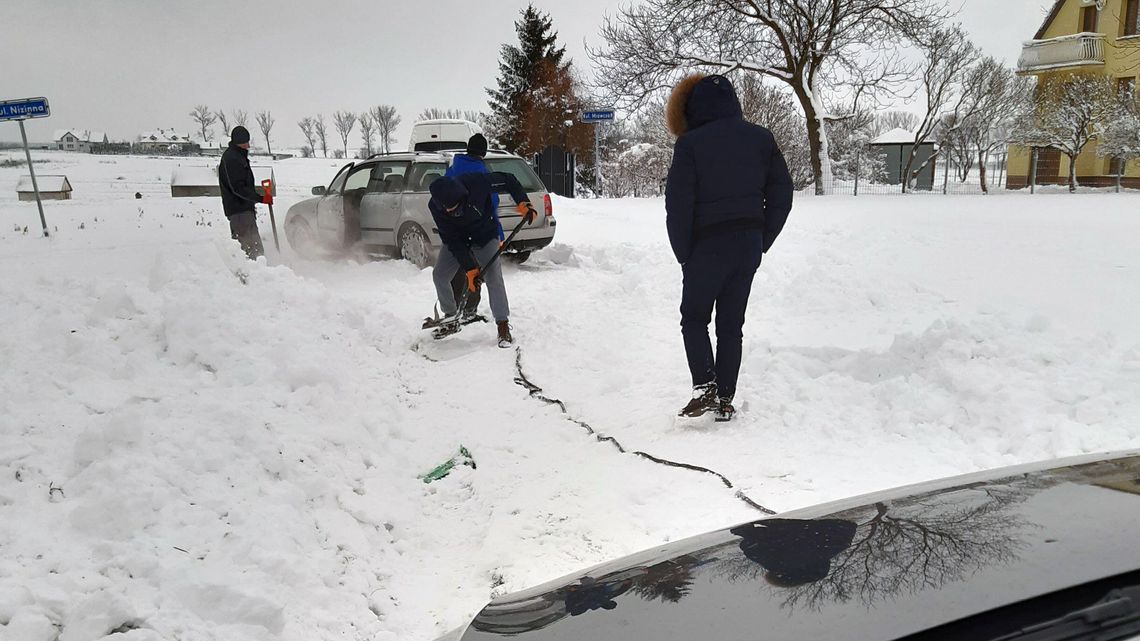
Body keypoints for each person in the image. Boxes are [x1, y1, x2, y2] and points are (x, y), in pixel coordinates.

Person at [665, 74, 794, 422]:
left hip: (706, 247)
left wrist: (684, 253)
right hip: (748, 246)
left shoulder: (690, 145)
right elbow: (783, 193)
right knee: (730, 325)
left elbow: (678, 205)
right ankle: (724, 399)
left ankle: (704, 385)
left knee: (693, 318)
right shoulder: (761, 139)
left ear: (693, 108)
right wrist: (762, 237)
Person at [428, 172, 537, 347]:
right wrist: (470, 268)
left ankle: (502, 324)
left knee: (493, 276)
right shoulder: (435, 207)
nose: (453, 211)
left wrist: (523, 202)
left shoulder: (477, 182)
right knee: (440, 275)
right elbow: (451, 239)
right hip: (458, 240)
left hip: (484, 236)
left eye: (456, 206)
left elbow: (509, 180)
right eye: (449, 209)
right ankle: (451, 320)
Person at [444, 133, 504, 318]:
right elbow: (492, 203)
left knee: (459, 268)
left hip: (455, 230)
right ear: (483, 153)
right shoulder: (482, 173)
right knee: (477, 271)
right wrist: (499, 233)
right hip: (478, 231)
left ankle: (452, 311)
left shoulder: (453, 168)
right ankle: (470, 309)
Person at [218, 126, 266, 259]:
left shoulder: (238, 156)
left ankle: (258, 273)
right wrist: (260, 198)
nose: (248, 145)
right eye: (246, 142)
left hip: (243, 210)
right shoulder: (232, 159)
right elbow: (237, 188)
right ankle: (253, 276)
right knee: (250, 251)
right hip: (239, 211)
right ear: (240, 142)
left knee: (253, 248)